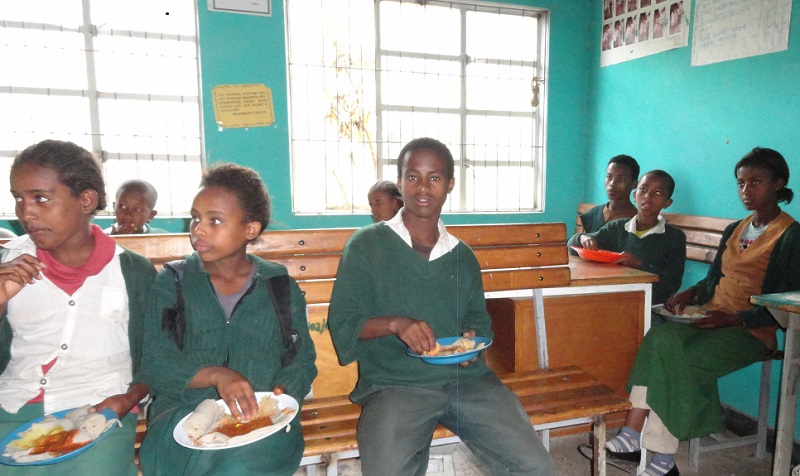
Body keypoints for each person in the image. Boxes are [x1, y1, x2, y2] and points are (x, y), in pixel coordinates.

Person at [328, 137, 555, 476]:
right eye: (412, 176)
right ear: (400, 182)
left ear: (449, 184)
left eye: (434, 178)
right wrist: (395, 324)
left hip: (468, 380)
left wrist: (475, 338)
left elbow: (478, 318)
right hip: (395, 383)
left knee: (535, 466)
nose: (422, 187)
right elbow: (344, 322)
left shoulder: (462, 256)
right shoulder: (366, 245)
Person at [592, 147, 800, 476]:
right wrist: (690, 292)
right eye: (741, 183)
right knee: (659, 338)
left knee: (676, 360)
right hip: (709, 316)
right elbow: (714, 279)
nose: (746, 191)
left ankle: (661, 455)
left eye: (755, 183)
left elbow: (787, 303)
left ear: (779, 183)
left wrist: (735, 319)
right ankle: (634, 435)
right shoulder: (736, 229)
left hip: (752, 331)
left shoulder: (791, 235)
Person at [139, 163, 317, 475]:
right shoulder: (173, 283)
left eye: (215, 220)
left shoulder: (278, 285)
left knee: (238, 463)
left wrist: (284, 391)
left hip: (259, 417)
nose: (198, 229)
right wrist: (214, 375)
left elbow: (302, 359)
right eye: (195, 218)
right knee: (205, 457)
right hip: (182, 414)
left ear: (250, 229)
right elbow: (155, 363)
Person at [0, 139, 156, 475]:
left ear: (86, 200)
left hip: (99, 408)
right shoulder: (6, 264)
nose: (26, 212)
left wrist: (128, 400)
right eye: (18, 198)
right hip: (14, 406)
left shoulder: (132, 272)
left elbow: (155, 358)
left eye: (41, 198)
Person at [578, 154, 640, 234]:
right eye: (609, 177)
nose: (612, 184)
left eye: (620, 179)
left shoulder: (636, 221)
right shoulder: (593, 215)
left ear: (634, 184)